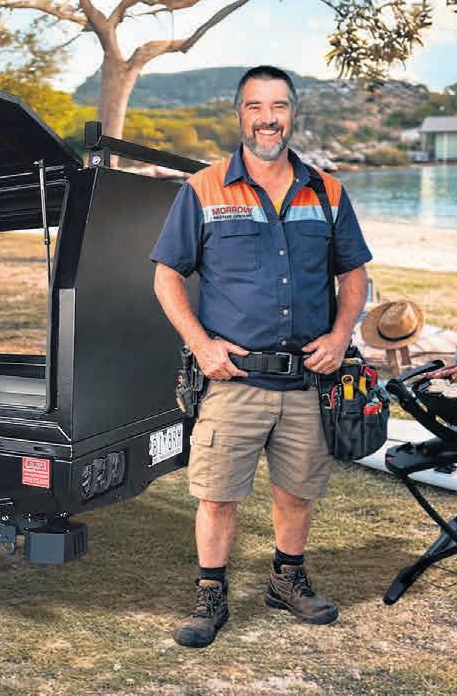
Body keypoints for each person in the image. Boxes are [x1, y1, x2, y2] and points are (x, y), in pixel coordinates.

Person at [150, 65, 373, 648]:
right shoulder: (203, 189)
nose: (267, 118)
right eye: (255, 106)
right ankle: (210, 593)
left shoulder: (328, 191)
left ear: (293, 114)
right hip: (233, 380)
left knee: (296, 492)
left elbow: (354, 275)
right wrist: (201, 345)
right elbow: (166, 276)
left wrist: (341, 335)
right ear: (240, 115)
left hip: (307, 381)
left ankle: (286, 580)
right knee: (217, 495)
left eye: (278, 106)